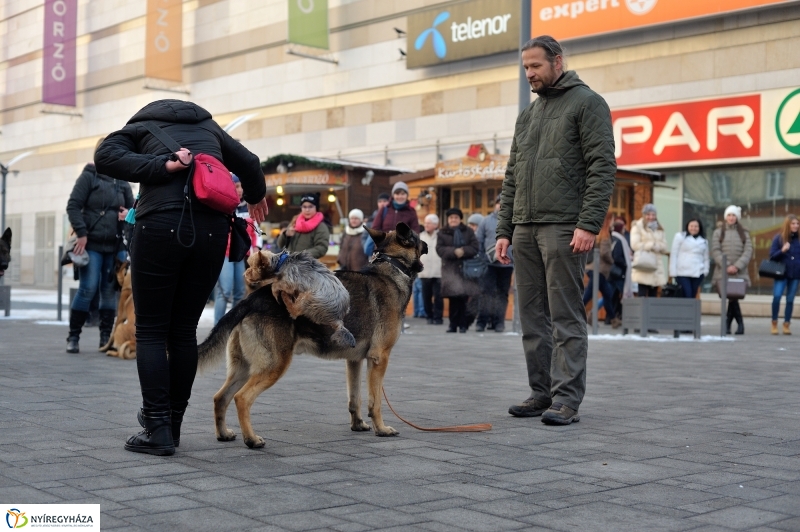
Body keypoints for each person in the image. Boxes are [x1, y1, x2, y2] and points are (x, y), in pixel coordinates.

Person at [95, 99, 268, 456]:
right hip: (211, 232)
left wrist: (160, 165)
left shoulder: (141, 127)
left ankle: (157, 428)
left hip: (159, 225)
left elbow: (105, 156)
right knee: (184, 331)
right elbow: (250, 163)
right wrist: (255, 197)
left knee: (152, 330)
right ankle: (171, 425)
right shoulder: (210, 129)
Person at [496, 35, 615, 425]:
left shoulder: (588, 103)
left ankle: (566, 399)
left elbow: (602, 168)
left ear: (557, 62)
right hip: (525, 228)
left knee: (565, 316)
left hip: (564, 227)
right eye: (525, 68)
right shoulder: (527, 116)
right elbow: (512, 177)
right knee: (531, 317)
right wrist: (504, 230)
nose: (529, 74)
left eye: (536, 66)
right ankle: (541, 392)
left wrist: (588, 224)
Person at [66, 137, 134, 354]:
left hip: (115, 246)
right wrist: (81, 233)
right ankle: (73, 337)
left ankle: (105, 338)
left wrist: (128, 214)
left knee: (108, 291)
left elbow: (133, 209)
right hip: (91, 245)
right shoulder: (89, 175)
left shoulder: (122, 180)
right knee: (88, 288)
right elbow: (73, 205)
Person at [213, 174, 257, 325]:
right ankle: (218, 327)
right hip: (224, 253)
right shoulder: (222, 205)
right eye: (236, 186)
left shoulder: (249, 206)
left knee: (240, 292)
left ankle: (234, 326)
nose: (239, 190)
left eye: (240, 186)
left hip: (240, 253)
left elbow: (256, 230)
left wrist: (255, 248)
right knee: (225, 291)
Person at [437, 208, 480, 333]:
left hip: (465, 269)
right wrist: (454, 251)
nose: (453, 220)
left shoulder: (468, 231)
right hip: (450, 269)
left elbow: (475, 247)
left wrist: (463, 251)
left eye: (456, 217)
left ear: (460, 219)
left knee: (464, 298)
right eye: (451, 218)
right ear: (448, 219)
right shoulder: (442, 232)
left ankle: (463, 325)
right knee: (453, 298)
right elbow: (439, 249)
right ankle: (452, 325)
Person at [711, 205, 752, 335]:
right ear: (725, 217)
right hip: (723, 271)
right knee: (731, 298)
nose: (731, 218)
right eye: (729, 215)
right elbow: (716, 251)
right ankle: (737, 325)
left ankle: (729, 325)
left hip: (740, 272)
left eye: (733, 215)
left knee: (733, 297)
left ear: (737, 217)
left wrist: (737, 266)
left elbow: (748, 251)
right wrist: (727, 266)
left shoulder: (744, 233)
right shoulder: (718, 232)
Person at [475, 195, 513, 333]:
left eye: (504, 203)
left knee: (502, 294)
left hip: (507, 265)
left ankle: (499, 322)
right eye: (498, 203)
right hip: (488, 265)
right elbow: (478, 241)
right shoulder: (485, 221)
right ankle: (482, 322)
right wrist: (483, 259)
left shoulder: (514, 221)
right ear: (495, 205)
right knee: (486, 293)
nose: (501, 205)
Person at [768, 214, 800, 335]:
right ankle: (774, 322)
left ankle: (786, 324)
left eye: (797, 223)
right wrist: (782, 250)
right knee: (777, 297)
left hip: (795, 274)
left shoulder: (799, 239)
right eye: (793, 224)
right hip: (781, 273)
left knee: (790, 299)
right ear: (788, 225)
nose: (796, 226)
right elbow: (772, 256)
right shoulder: (779, 238)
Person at [583, 213, 616, 325]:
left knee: (607, 293)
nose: (613, 222)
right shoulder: (605, 235)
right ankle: (574, 312)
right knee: (589, 294)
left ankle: (613, 319)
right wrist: (612, 261)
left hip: (593, 267)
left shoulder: (598, 233)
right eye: (612, 220)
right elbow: (604, 252)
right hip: (599, 269)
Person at [630, 204, 668, 297]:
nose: (651, 217)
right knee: (642, 294)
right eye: (648, 214)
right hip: (644, 264)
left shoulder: (660, 228)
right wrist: (651, 245)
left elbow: (665, 246)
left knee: (653, 295)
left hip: (656, 265)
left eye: (653, 214)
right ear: (644, 215)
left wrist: (658, 246)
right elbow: (635, 245)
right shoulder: (637, 227)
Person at [277, 194, 330, 259]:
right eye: (304, 207)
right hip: (290, 263)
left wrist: (301, 256)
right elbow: (280, 244)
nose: (307, 210)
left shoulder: (321, 227)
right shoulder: (294, 222)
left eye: (310, 206)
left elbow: (322, 248)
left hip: (307, 264)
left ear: (316, 208)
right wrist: (285, 235)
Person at [669, 218, 709, 299]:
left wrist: (705, 271)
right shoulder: (680, 237)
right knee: (687, 294)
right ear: (687, 226)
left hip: (698, 272)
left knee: (693, 295)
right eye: (691, 226)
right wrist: (672, 271)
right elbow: (674, 254)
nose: (693, 228)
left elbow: (706, 257)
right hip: (682, 272)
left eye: (696, 226)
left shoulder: (704, 241)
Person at [419, 214, 443, 325]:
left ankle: (438, 317)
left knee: (438, 296)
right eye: (425, 223)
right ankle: (429, 316)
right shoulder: (420, 236)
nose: (426, 225)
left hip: (438, 272)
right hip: (425, 271)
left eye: (428, 223)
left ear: (435, 225)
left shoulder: (441, 236)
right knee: (426, 296)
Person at [609, 218, 632, 328]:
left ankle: (612, 317)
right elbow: (617, 257)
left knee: (611, 295)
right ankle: (616, 317)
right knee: (618, 295)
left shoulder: (614, 238)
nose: (624, 230)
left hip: (615, 272)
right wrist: (626, 264)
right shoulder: (619, 240)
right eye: (623, 228)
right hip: (618, 273)